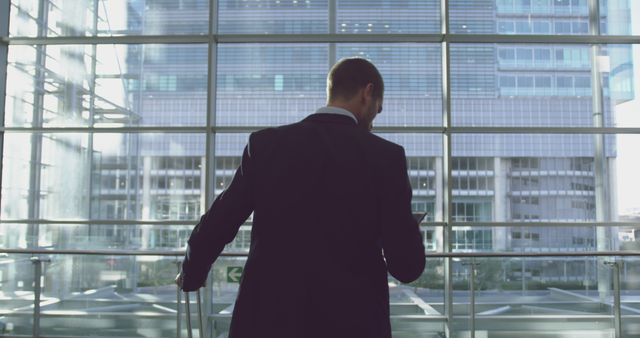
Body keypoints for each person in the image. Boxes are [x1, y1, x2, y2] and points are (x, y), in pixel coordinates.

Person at [176, 57, 425, 338]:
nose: (373, 122)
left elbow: (220, 220)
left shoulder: (266, 145)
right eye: (377, 111)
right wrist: (410, 229)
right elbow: (406, 266)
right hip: (353, 321)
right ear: (367, 92)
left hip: (268, 320)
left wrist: (191, 273)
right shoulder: (386, 157)